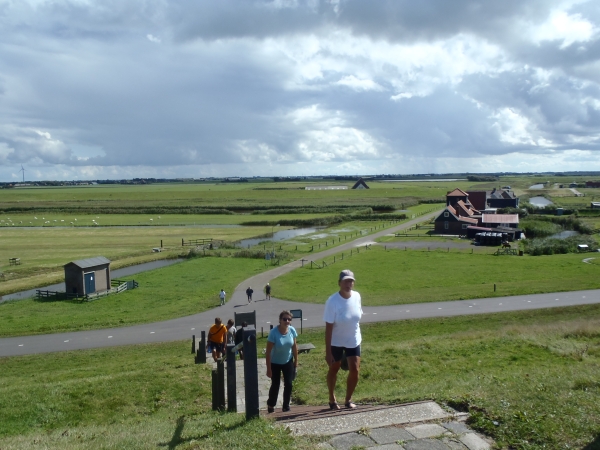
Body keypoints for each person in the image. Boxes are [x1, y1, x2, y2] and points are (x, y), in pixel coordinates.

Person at [323, 269, 363, 410]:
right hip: (336, 341)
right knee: (334, 368)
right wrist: (328, 352)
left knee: (355, 369)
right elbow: (328, 328)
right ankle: (332, 399)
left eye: (351, 281)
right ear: (339, 283)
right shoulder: (332, 301)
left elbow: (356, 317)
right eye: (345, 281)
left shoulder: (357, 296)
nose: (348, 284)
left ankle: (348, 399)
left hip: (353, 339)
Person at [266, 310, 298, 413]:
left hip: (288, 360)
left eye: (289, 319)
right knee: (276, 384)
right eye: (284, 319)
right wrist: (268, 369)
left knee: (289, 384)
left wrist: (296, 361)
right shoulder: (273, 333)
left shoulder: (292, 330)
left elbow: (294, 346)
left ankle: (286, 406)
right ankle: (271, 404)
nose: (287, 321)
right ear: (280, 320)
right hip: (275, 362)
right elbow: (268, 352)